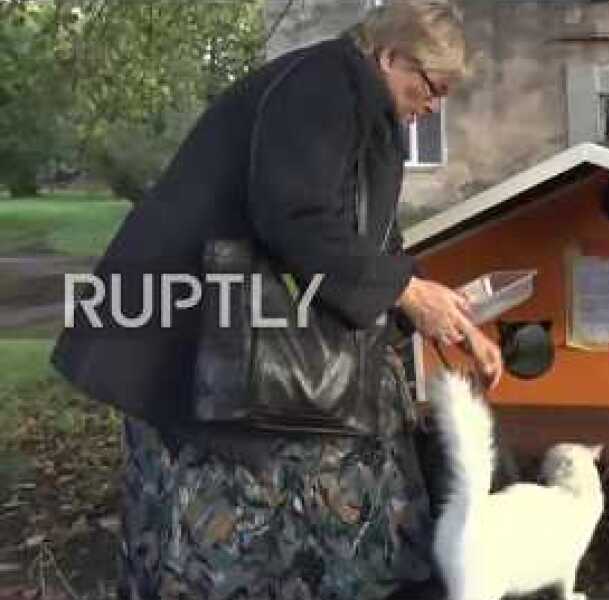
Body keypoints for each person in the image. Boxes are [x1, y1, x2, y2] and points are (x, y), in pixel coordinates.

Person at [50, 2, 502, 598]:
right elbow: (295, 215)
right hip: (185, 329)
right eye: (433, 87)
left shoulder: (363, 104)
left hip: (234, 326)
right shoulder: (322, 85)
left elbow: (370, 236)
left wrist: (450, 316)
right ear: (390, 56)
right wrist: (405, 292)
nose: (435, 105)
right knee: (217, 520)